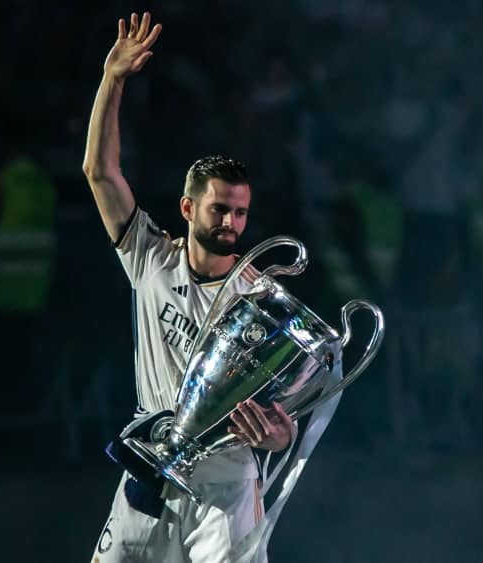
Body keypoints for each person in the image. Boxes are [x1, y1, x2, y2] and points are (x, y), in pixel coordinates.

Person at [82, 13, 297, 562]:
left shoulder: (258, 299)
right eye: (220, 208)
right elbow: (100, 173)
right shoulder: (152, 258)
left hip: (226, 486)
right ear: (187, 207)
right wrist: (113, 79)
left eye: (240, 212)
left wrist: (277, 436)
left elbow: (287, 418)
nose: (231, 222)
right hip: (151, 467)